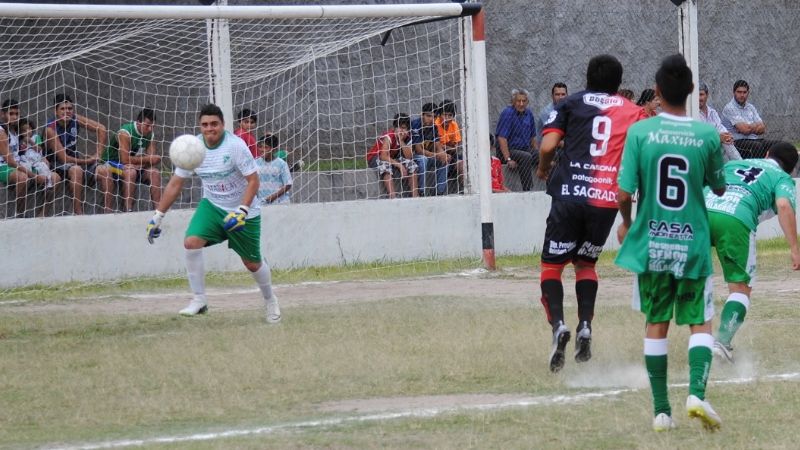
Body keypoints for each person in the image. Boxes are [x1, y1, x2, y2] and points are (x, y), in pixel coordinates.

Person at [616, 54, 726, 432]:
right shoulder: (708, 135)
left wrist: (628, 224)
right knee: (701, 323)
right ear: (693, 91)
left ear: (657, 91)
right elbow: (719, 185)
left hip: (652, 244)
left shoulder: (640, 133)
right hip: (692, 243)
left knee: (656, 323)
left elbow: (623, 192)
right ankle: (696, 393)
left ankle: (662, 412)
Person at [535, 54, 643, 373]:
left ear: (587, 77)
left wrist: (543, 169)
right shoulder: (633, 111)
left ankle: (559, 326)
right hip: (605, 200)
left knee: (551, 266)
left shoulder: (569, 103)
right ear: (618, 83)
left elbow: (547, 146)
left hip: (568, 194)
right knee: (586, 264)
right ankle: (585, 325)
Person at [145, 103, 281, 323]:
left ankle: (270, 299)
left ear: (223, 125)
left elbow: (254, 181)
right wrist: (157, 216)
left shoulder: (235, 146)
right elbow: (175, 184)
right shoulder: (193, 148)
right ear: (200, 127)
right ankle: (199, 300)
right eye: (205, 125)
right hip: (213, 206)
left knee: (252, 264)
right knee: (191, 242)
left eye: (214, 124)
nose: (210, 129)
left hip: (243, 211)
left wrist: (242, 210)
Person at [705, 141, 800, 363]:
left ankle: (688, 336)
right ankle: (721, 343)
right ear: (792, 169)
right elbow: (784, 206)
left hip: (701, 211)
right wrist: (795, 249)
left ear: (766, 153)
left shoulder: (737, 163)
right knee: (740, 288)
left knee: (693, 278)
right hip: (735, 217)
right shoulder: (782, 177)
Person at [42, 93, 108, 215]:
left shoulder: (75, 118)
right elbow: (64, 158)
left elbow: (101, 129)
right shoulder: (50, 129)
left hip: (75, 162)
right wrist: (89, 160)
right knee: (76, 170)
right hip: (56, 165)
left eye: (69, 108)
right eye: (63, 109)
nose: (67, 111)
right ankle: (78, 212)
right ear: (55, 111)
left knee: (105, 170)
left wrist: (98, 154)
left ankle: (109, 213)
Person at [98, 108, 162, 213]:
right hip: (111, 163)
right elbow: (124, 159)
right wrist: (147, 159)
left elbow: (151, 160)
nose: (150, 129)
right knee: (131, 171)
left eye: (153, 126)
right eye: (147, 125)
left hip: (134, 165)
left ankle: (159, 210)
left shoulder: (150, 135)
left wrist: (146, 161)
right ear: (138, 122)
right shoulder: (125, 132)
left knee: (154, 172)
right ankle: (128, 210)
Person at [720, 80, 780, 159]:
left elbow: (762, 128)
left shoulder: (751, 107)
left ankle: (773, 170)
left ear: (748, 93)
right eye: (739, 92)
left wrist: (748, 127)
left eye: (744, 92)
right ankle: (757, 170)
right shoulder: (729, 108)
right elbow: (744, 129)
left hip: (754, 140)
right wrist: (754, 126)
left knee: (778, 145)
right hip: (737, 142)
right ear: (734, 92)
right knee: (757, 147)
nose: (742, 95)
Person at [366, 113, 418, 199]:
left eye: (404, 128)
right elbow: (383, 156)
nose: (401, 131)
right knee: (385, 165)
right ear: (394, 128)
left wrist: (401, 142)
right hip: (375, 157)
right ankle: (392, 196)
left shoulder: (407, 138)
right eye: (399, 127)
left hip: (391, 158)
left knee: (412, 164)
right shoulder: (389, 136)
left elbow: (409, 156)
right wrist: (399, 165)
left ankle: (415, 196)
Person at [495, 89, 538, 191]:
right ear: (513, 101)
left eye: (524, 101)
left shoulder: (529, 114)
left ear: (527, 102)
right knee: (526, 156)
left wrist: (537, 152)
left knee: (545, 155)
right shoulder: (508, 113)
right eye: (518, 101)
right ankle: (527, 190)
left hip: (524, 148)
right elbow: (502, 138)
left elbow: (532, 138)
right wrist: (508, 159)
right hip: (508, 151)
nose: (521, 104)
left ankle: (551, 187)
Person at [18, 118, 62, 217]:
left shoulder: (36, 137)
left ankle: (48, 185)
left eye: (28, 129)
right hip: (26, 161)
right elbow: (19, 153)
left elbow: (39, 148)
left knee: (44, 168)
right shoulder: (19, 140)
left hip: (37, 160)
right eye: (23, 130)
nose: (26, 132)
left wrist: (30, 142)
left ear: (32, 129)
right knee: (25, 168)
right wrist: (23, 146)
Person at [411, 102, 449, 196]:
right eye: (428, 116)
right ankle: (421, 192)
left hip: (427, 157)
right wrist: (437, 155)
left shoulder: (434, 127)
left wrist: (443, 154)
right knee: (423, 159)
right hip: (412, 157)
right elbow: (418, 150)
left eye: (434, 117)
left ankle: (439, 192)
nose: (431, 119)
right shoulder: (415, 125)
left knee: (445, 161)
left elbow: (438, 146)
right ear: (422, 115)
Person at [0, 100, 30, 217]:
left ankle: (42, 214)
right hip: (2, 167)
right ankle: (20, 215)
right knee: (22, 178)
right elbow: (10, 161)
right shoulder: (1, 131)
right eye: (11, 113)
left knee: (53, 177)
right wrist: (35, 176)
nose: (14, 117)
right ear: (3, 114)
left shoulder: (15, 131)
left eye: (17, 114)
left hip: (17, 164)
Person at [698, 82, 741, 163]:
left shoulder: (712, 112)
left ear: (707, 95)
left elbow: (720, 128)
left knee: (726, 142)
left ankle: (735, 166)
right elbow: (700, 135)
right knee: (724, 144)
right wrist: (718, 138)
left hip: (715, 144)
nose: (699, 98)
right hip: (702, 146)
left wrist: (727, 135)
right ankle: (739, 164)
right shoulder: (693, 113)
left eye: (701, 94)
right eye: (696, 95)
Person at [436, 100, 465, 191]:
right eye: (444, 115)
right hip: (436, 153)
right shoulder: (436, 124)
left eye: (450, 115)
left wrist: (449, 147)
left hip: (451, 154)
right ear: (440, 115)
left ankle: (465, 189)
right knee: (446, 159)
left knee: (463, 163)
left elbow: (456, 145)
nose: (447, 118)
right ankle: (440, 191)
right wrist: (448, 147)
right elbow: (437, 146)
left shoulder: (454, 124)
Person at [256, 133, 293, 204]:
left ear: (274, 149)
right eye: (260, 147)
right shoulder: (255, 163)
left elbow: (288, 184)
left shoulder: (281, 164)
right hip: (262, 202)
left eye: (266, 147)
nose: (262, 150)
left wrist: (273, 197)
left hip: (280, 202)